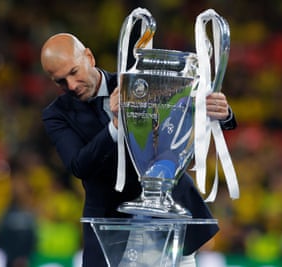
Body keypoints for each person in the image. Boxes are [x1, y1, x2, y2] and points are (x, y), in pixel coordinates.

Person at [40, 33, 237, 266]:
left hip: (169, 215)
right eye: (60, 81)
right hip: (111, 228)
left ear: (89, 57)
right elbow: (79, 165)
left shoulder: (138, 84)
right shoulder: (56, 114)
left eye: (74, 72)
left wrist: (219, 112)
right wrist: (114, 125)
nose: (71, 86)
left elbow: (182, 117)